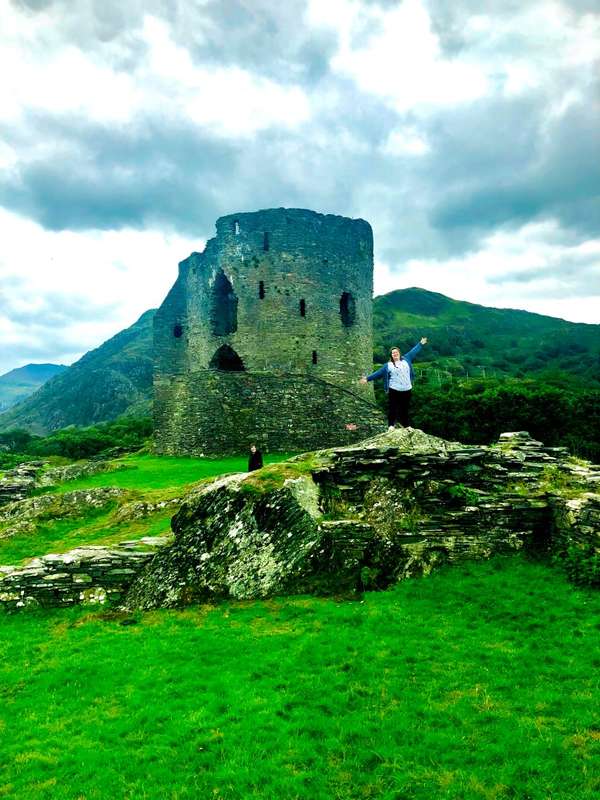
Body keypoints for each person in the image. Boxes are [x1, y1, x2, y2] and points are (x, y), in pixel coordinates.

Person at [360, 338, 428, 429]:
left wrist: (421, 343)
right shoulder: (388, 365)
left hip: (407, 389)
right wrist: (367, 379)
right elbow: (378, 373)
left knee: (404, 409)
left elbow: (413, 351)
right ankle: (391, 425)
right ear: (391, 355)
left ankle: (406, 425)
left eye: (396, 352)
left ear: (399, 353)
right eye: (393, 353)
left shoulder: (406, 359)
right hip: (394, 389)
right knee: (393, 408)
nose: (395, 354)